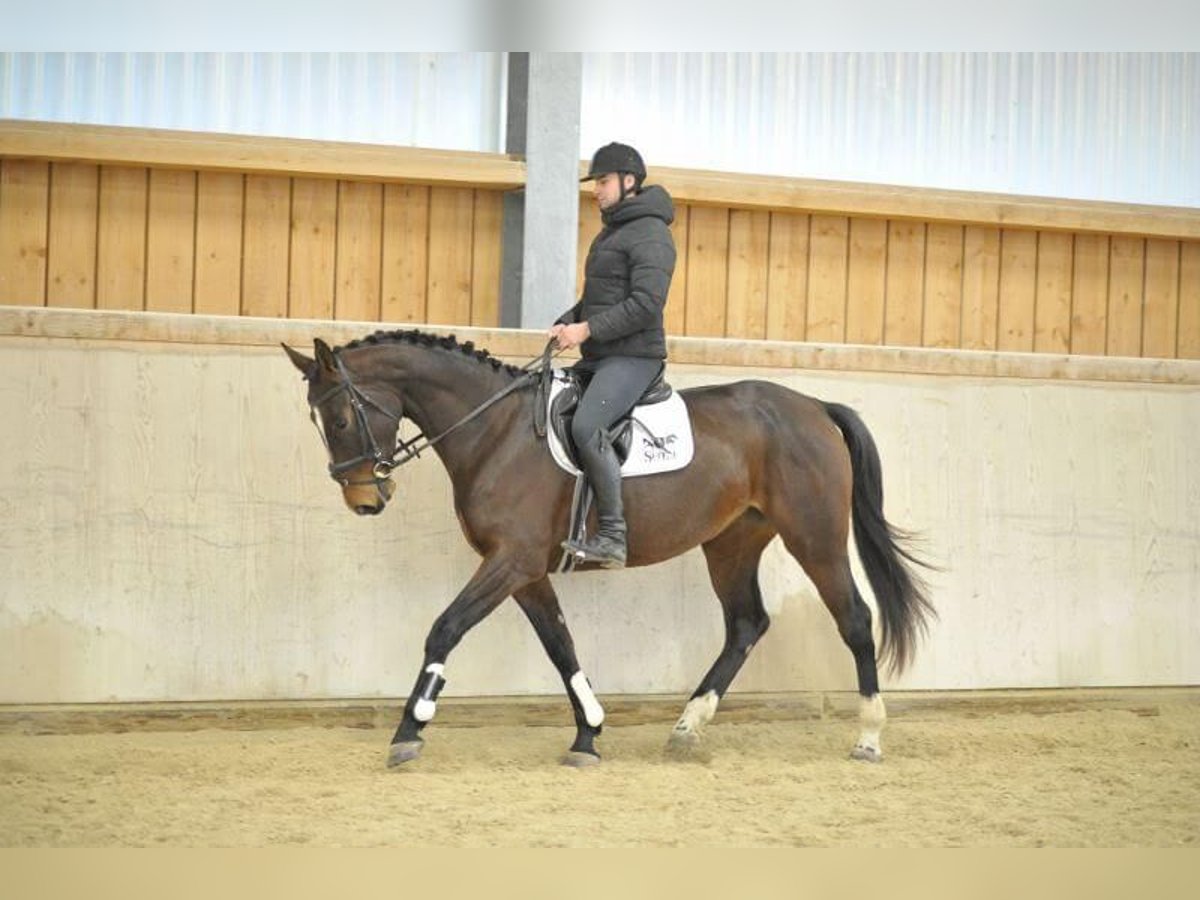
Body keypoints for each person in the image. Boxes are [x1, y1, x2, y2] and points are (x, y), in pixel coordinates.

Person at [549, 142, 677, 569]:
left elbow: (646, 304)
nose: (596, 190)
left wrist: (585, 329)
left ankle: (612, 536)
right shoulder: (614, 231)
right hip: (602, 354)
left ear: (628, 181)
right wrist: (568, 321)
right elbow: (598, 299)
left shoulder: (651, 234)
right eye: (596, 183)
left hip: (635, 357)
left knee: (587, 425)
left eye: (602, 182)